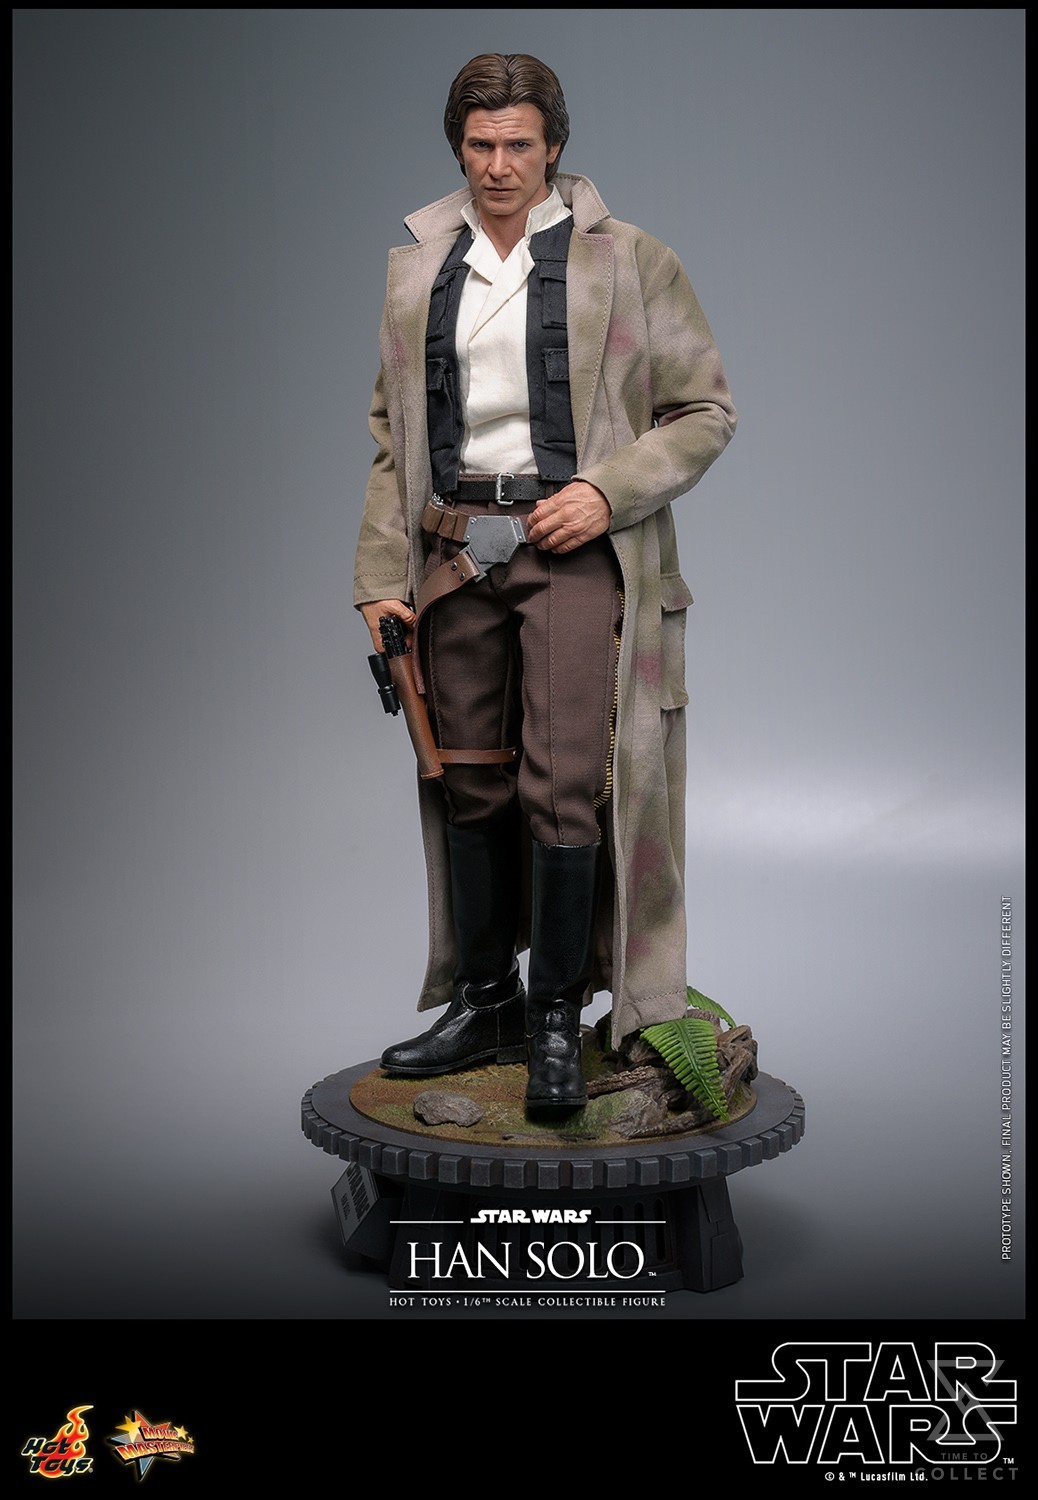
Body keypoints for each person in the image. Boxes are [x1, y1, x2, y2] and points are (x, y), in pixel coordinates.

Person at [354, 52, 736, 1115]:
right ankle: (489, 1003)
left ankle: (559, 1019)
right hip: (451, 550)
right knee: (466, 776)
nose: (498, 165)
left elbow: (705, 410)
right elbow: (390, 436)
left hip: (567, 546)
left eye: (518, 143)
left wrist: (608, 493)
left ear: (554, 146)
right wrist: (380, 575)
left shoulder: (630, 260)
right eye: (480, 144)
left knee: (564, 784)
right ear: (458, 147)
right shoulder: (419, 271)